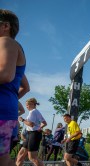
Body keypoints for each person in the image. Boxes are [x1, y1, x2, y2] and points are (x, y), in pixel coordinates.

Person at [0, 9, 27, 166]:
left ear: (5, 26)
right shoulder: (11, 50)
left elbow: (5, 75)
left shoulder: (6, 42)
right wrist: (12, 99)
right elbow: (25, 86)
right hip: (6, 110)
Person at [16, 98, 47, 166]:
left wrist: (22, 120)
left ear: (33, 104)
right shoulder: (37, 112)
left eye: (28, 105)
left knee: (32, 157)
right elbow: (44, 123)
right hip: (31, 134)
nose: (27, 106)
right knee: (20, 155)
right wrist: (40, 127)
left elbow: (31, 124)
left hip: (34, 135)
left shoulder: (33, 112)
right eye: (26, 105)